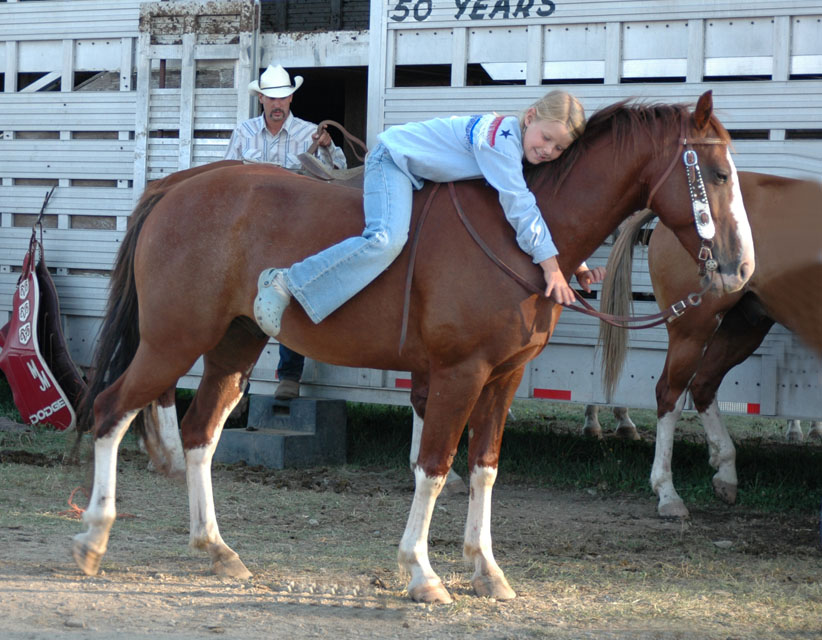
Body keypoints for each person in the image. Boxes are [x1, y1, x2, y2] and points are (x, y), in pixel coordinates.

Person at [253, 89, 605, 342]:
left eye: (559, 148)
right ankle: (285, 281)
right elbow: (519, 205)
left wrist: (579, 265)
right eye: (546, 138)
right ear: (530, 117)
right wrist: (552, 269)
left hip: (417, 176)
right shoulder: (500, 141)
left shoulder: (518, 148)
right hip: (392, 160)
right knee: (386, 240)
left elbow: (537, 208)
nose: (548, 150)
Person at [226, 63, 347, 400]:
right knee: (242, 305)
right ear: (260, 98)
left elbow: (338, 171)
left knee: (290, 297)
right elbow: (227, 178)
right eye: (271, 98)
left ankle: (289, 375)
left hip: (294, 231)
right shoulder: (243, 133)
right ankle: (237, 383)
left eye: (283, 97)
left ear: (292, 97)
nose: (277, 104)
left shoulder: (310, 132)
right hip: (251, 232)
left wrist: (325, 146)